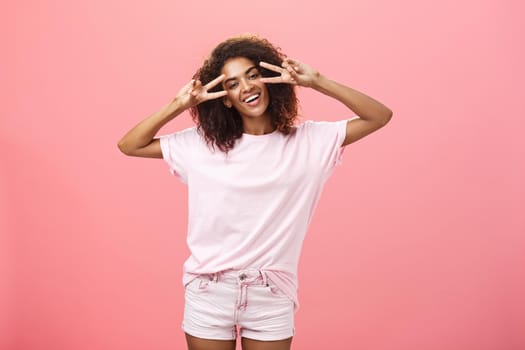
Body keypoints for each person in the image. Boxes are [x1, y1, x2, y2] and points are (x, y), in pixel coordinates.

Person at [118, 35, 392, 350]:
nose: (246, 87)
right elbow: (130, 145)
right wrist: (180, 104)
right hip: (209, 291)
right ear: (224, 97)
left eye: (252, 75)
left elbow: (379, 116)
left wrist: (318, 81)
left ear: (267, 80)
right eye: (232, 83)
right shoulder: (200, 145)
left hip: (271, 293)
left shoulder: (311, 142)